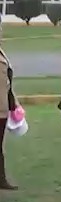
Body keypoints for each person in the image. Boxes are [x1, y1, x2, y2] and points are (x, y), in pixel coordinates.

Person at [0, 40, 19, 189]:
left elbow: (7, 79)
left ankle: (1, 179)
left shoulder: (1, 52)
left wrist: (13, 102)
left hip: (2, 106)